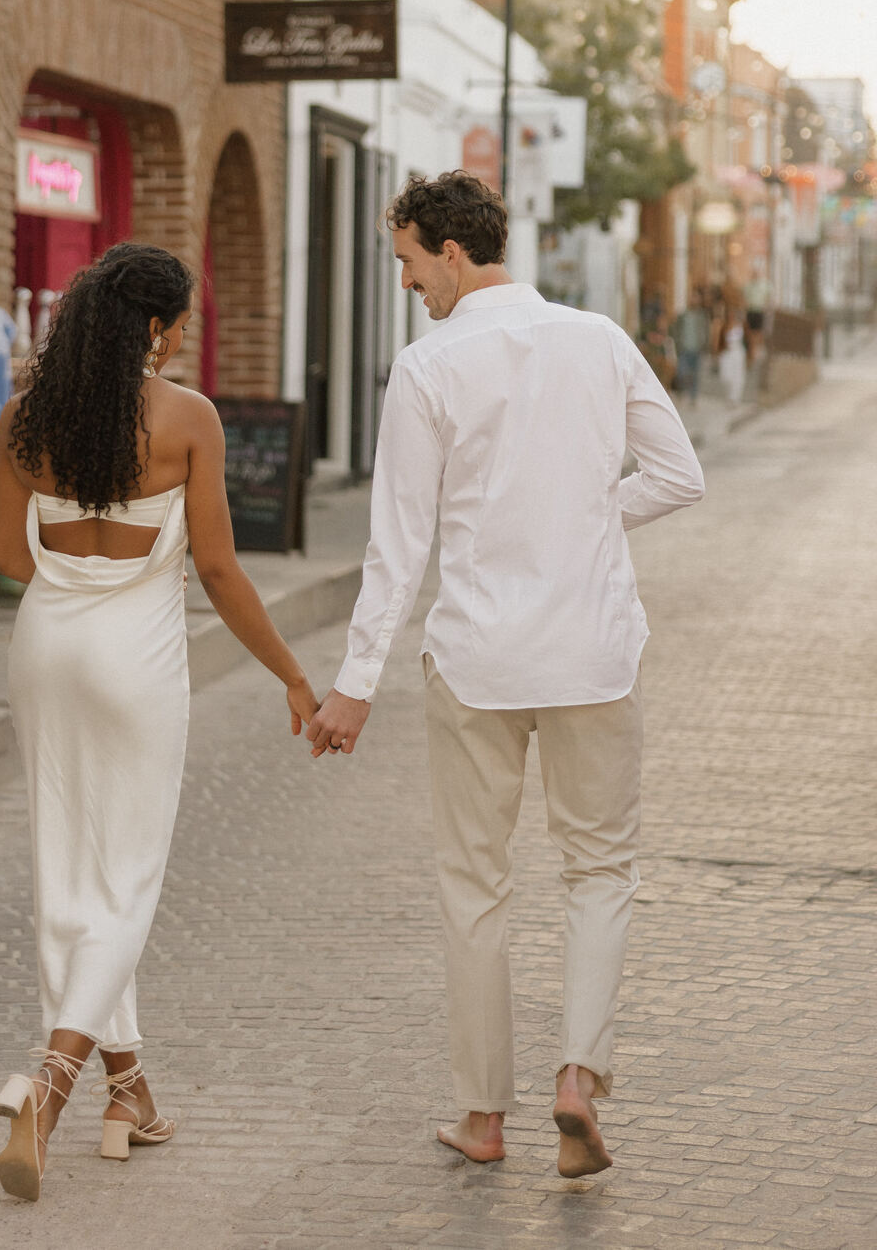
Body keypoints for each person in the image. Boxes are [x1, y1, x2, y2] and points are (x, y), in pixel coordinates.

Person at [308, 172, 703, 1178]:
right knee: (599, 868)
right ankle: (579, 1075)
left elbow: (396, 545)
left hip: (478, 657)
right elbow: (676, 473)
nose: (404, 283)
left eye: (404, 261)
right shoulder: (598, 340)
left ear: (448, 251)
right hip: (590, 650)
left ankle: (483, 1116)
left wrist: (353, 681)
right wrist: (585, 520)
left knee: (473, 882)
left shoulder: (428, 364)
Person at [0, 242, 319, 1203]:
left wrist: (78, 580)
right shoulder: (188, 419)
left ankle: (128, 1091)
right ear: (156, 328)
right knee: (125, 883)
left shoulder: (24, 418)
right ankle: (46, 1093)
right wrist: (293, 675)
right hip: (134, 664)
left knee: (70, 869)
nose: (182, 339)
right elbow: (216, 568)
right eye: (178, 324)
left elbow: (13, 553)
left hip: (44, 649)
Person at [670, 290, 710, 404]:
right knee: (682, 372)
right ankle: (681, 394)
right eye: (693, 298)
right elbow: (675, 329)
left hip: (696, 349)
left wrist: (705, 345)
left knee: (695, 374)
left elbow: (706, 332)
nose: (694, 300)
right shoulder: (683, 315)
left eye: (696, 298)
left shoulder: (702, 316)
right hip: (684, 348)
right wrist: (677, 342)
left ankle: (693, 397)